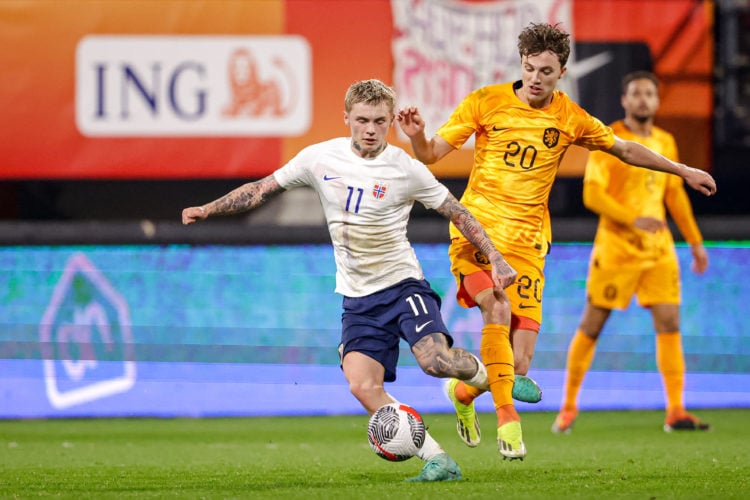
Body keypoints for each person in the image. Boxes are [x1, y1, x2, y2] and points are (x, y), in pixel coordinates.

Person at [396, 22, 716, 460]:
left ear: (561, 71)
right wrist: (416, 135)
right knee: (496, 305)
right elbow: (431, 154)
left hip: (528, 245)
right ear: (521, 64)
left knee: (519, 364)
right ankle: (509, 421)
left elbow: (624, 149)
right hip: (476, 233)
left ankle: (464, 394)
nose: (535, 78)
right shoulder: (485, 102)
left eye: (545, 70)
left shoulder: (569, 117)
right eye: (529, 68)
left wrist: (683, 171)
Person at [182, 79, 518, 482]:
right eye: (362, 120)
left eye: (380, 120)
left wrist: (495, 257)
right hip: (358, 300)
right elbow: (262, 189)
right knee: (362, 386)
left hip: (402, 287)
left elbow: (458, 213)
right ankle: (439, 460)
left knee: (436, 362)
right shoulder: (319, 158)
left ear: (391, 121)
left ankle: (486, 377)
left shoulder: (406, 169)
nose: (371, 129)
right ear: (347, 119)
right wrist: (209, 208)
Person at [551, 71, 710, 434]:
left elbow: (674, 196)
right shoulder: (609, 140)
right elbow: (593, 194)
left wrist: (696, 242)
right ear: (624, 100)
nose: (642, 100)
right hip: (617, 250)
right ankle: (569, 407)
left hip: (658, 252)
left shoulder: (666, 143)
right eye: (635, 93)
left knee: (669, 324)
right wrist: (633, 219)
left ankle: (675, 411)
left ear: (656, 101)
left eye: (649, 94)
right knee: (592, 326)